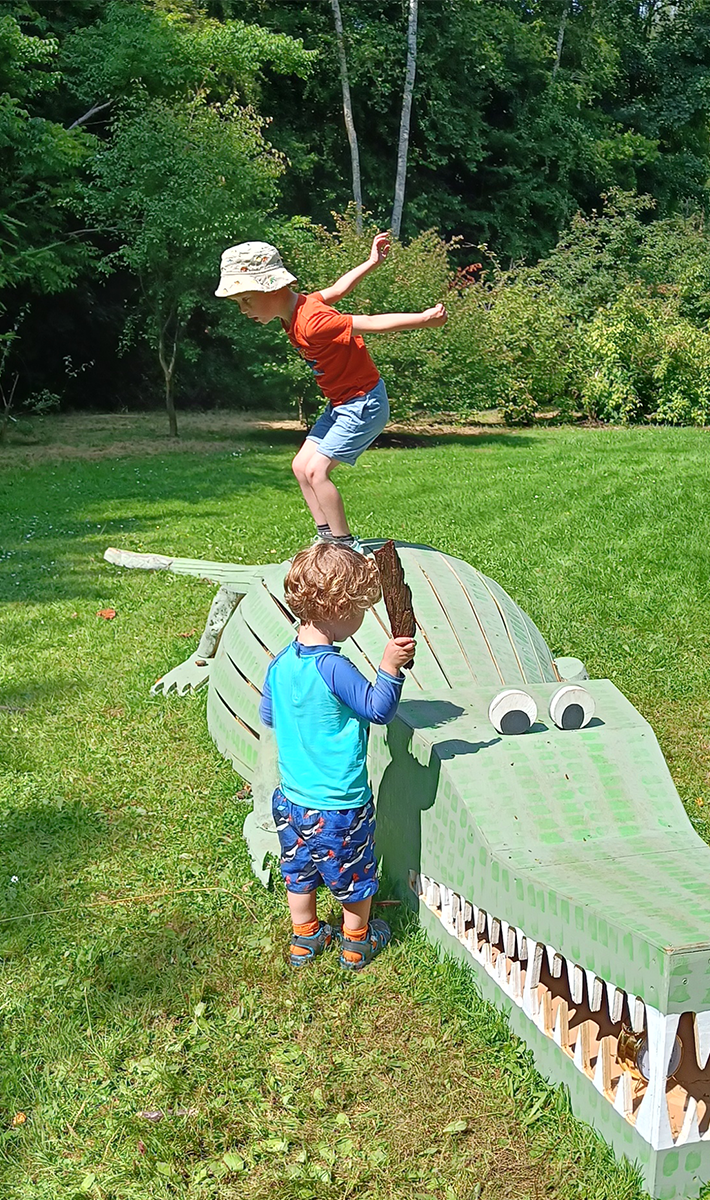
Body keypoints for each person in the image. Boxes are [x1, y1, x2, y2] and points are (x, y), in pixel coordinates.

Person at [215, 235, 447, 553]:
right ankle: (325, 536)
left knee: (317, 470)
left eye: (246, 300)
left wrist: (424, 319)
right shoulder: (296, 312)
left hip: (363, 402)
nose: (243, 310)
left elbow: (370, 323)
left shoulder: (313, 322)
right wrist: (371, 262)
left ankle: (345, 545)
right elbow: (338, 289)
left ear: (269, 288)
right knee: (301, 467)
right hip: (340, 403)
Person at [259, 541, 416, 969]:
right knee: (356, 876)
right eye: (361, 610)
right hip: (338, 806)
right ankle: (356, 940)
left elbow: (269, 714)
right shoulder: (333, 667)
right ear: (338, 609)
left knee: (300, 870)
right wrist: (390, 666)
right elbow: (377, 709)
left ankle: (305, 938)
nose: (363, 618)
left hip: (291, 801)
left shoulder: (280, 663)